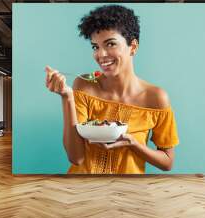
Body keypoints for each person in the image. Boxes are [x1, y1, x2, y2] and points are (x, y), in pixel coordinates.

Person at [45, 5, 179, 174]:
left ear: (133, 47)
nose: (100, 55)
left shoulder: (156, 98)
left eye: (110, 44)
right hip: (81, 190)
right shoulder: (84, 85)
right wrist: (67, 97)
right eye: (95, 46)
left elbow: (167, 162)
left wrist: (134, 144)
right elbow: (76, 157)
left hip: (128, 193)